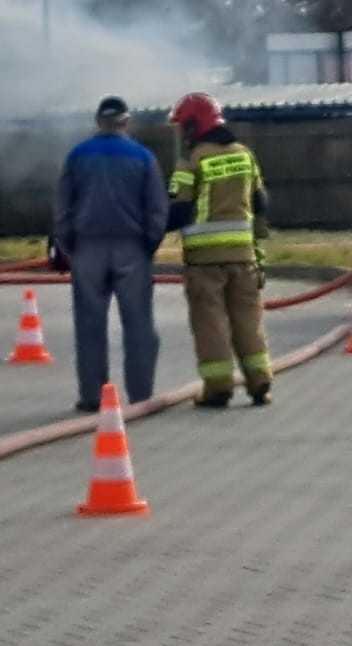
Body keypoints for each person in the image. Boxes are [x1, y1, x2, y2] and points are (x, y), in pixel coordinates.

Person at [51, 95, 168, 413]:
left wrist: (69, 245)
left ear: (98, 123)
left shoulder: (77, 156)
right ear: (126, 122)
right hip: (132, 249)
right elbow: (157, 208)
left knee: (89, 326)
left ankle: (92, 398)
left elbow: (63, 207)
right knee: (139, 325)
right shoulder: (143, 157)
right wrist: (148, 245)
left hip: (88, 248)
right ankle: (141, 398)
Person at [166, 91, 272, 408]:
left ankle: (218, 387)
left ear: (193, 127)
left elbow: (180, 211)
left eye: (182, 127)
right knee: (248, 320)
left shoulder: (193, 160)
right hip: (243, 256)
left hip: (205, 262)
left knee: (210, 323)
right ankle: (260, 382)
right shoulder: (244, 154)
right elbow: (260, 202)